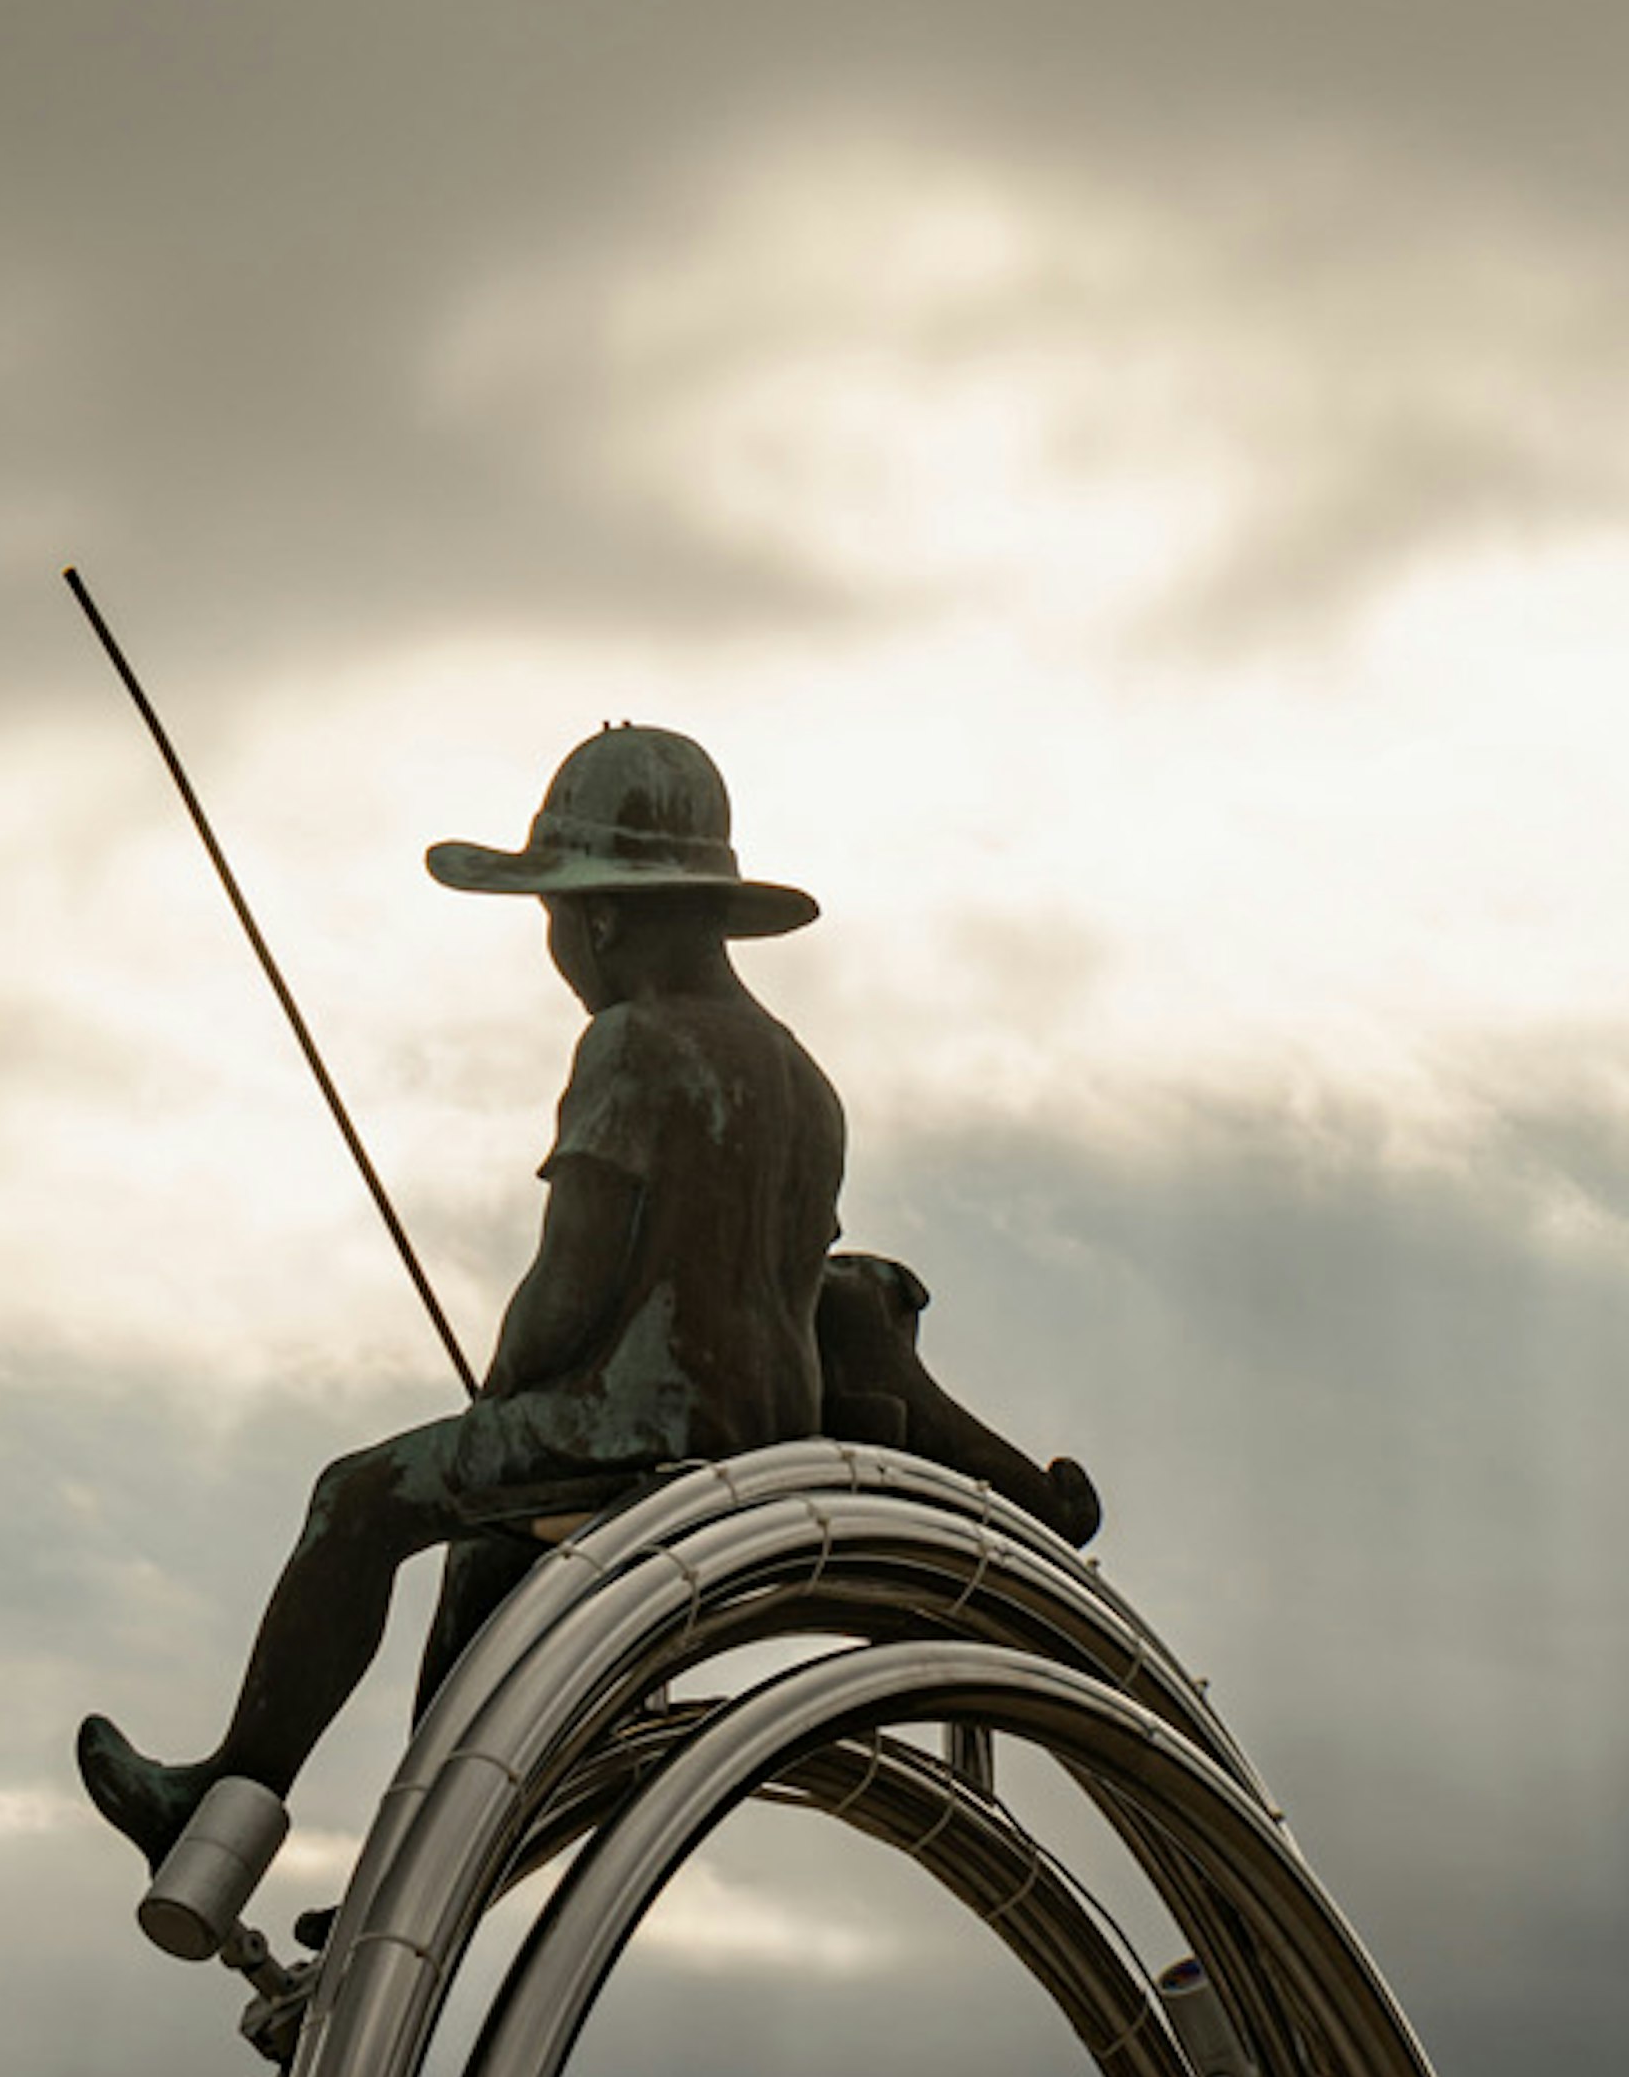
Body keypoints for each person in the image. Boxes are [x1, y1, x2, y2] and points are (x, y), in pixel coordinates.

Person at [78, 724, 1098, 1962]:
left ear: (603, 921)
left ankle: (229, 1799)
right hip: (764, 1435)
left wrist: (501, 1401)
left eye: (555, 918)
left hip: (639, 1429)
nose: (556, 949)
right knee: (484, 1570)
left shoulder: (632, 1041)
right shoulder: (803, 1077)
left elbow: (575, 1278)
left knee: (358, 1504)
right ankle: (411, 1883)